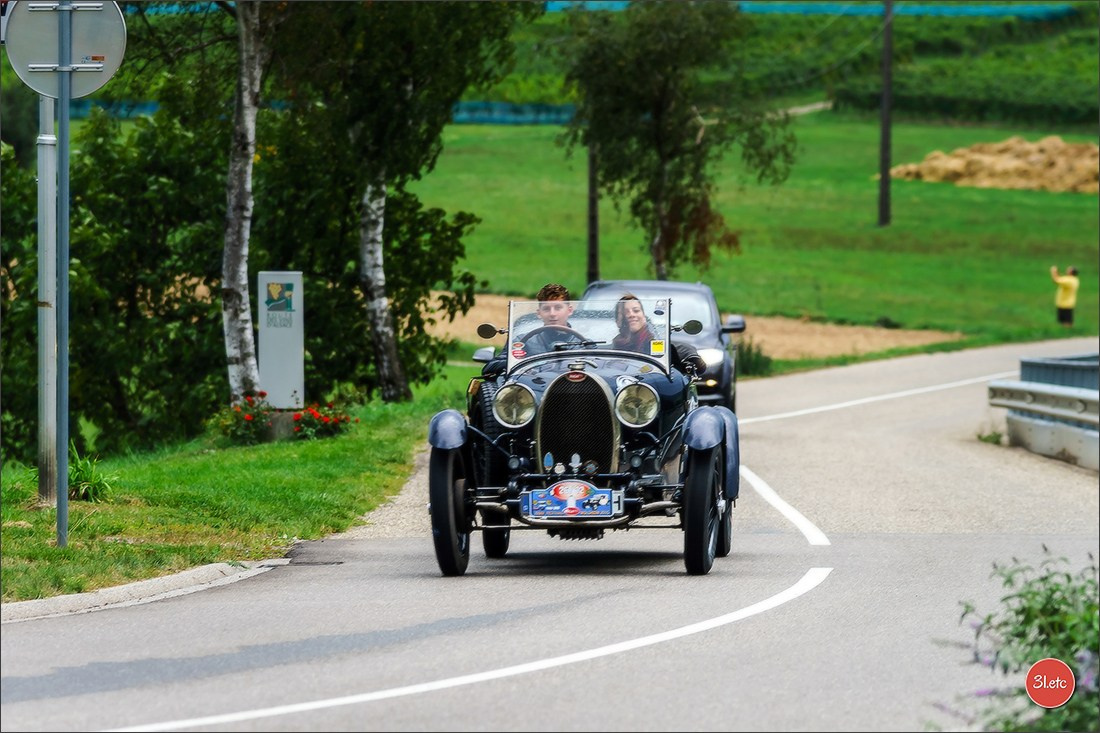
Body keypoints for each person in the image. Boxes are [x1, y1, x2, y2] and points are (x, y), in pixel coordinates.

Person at [481, 283, 575, 376]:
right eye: (546, 309)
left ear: (569, 310)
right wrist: (519, 362)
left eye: (558, 308)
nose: (552, 314)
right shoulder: (523, 342)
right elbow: (490, 367)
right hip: (534, 389)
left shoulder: (584, 344)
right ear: (539, 313)